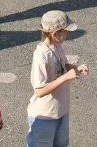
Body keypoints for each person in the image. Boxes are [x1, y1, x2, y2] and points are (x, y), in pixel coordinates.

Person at [26, 11, 88, 147]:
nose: (68, 34)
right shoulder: (41, 55)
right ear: (55, 34)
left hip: (61, 111)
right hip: (45, 116)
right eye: (66, 32)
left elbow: (63, 65)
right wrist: (65, 77)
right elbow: (39, 90)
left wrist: (75, 68)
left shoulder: (57, 46)